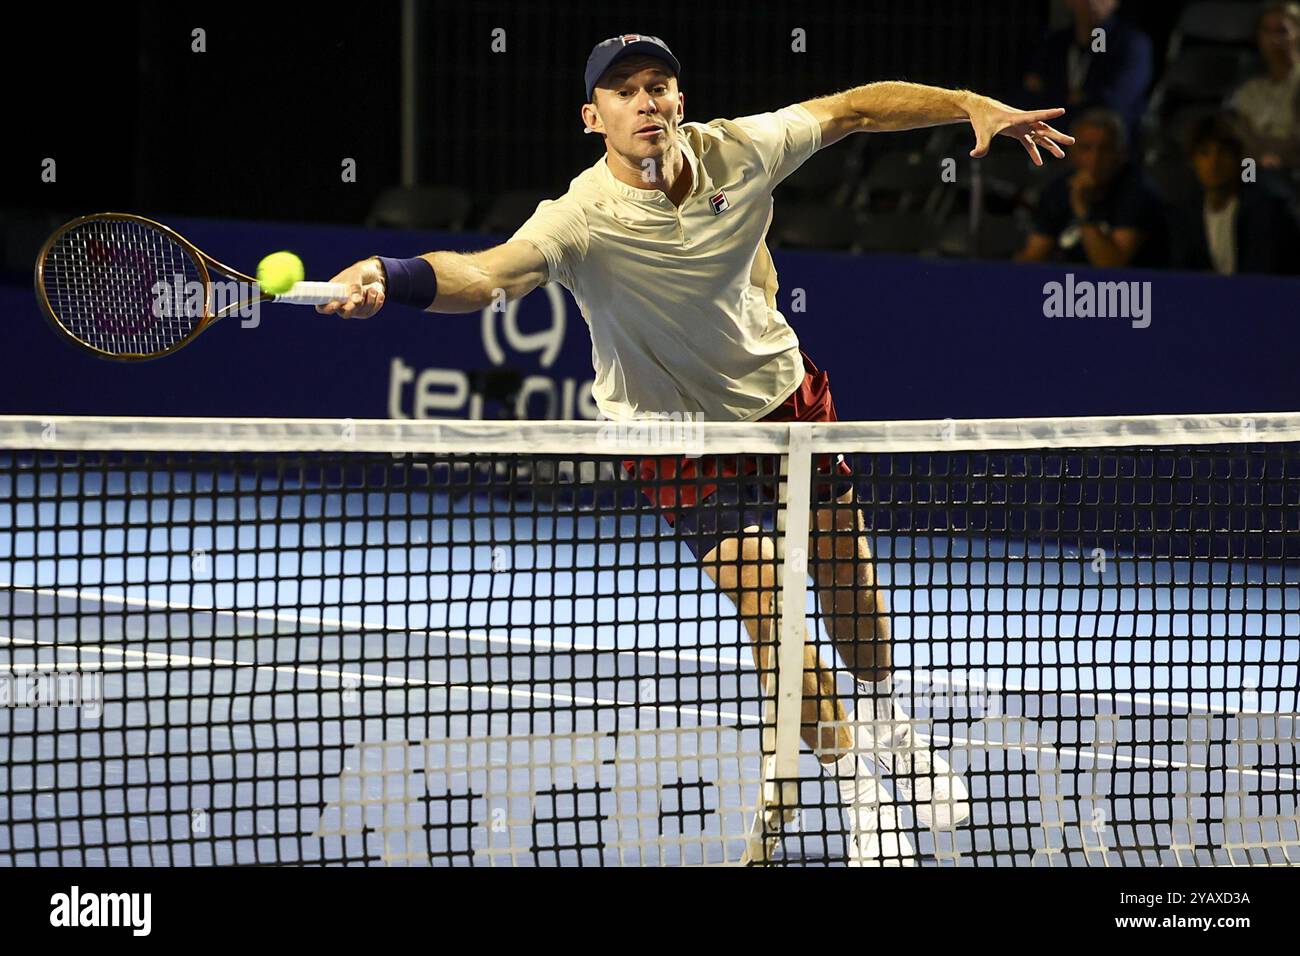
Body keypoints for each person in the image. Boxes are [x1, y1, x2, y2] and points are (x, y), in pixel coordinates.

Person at [319, 33, 1074, 865]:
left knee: (844, 574)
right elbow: (492, 275)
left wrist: (968, 105)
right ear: (592, 117)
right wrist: (394, 276)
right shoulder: (580, 215)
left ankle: (890, 723)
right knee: (770, 606)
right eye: (622, 91)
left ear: (680, 100)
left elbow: (856, 108)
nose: (645, 101)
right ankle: (858, 779)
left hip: (780, 397)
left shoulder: (743, 149)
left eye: (658, 85)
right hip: (667, 433)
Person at [1016, 107, 1166, 268]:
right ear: (1072, 152)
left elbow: (1110, 267)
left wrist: (1082, 208)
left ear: (1121, 153)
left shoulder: (1138, 192)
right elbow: (1034, 255)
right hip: (1065, 287)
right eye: (1086, 148)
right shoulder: (1059, 188)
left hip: (1131, 290)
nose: (1095, 158)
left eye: (1105, 149)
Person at [1169, 112, 1300, 275]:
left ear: (1238, 158)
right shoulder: (1187, 213)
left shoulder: (1265, 211)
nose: (1214, 163)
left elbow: (1261, 279)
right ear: (1193, 161)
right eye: (1204, 153)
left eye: (1223, 152)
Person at [1023, 0, 1153, 141]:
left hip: (1111, 146)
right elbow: (1030, 96)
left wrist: (1060, 99)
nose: (1093, 2)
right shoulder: (1055, 43)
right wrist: (1080, 99)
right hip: (1051, 142)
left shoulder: (1131, 44)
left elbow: (1115, 100)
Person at [1229, 1, 1300, 170]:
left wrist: (1264, 151)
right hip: (1255, 169)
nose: (1272, 38)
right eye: (1265, 30)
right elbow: (1240, 138)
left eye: (1281, 31)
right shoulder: (1250, 90)